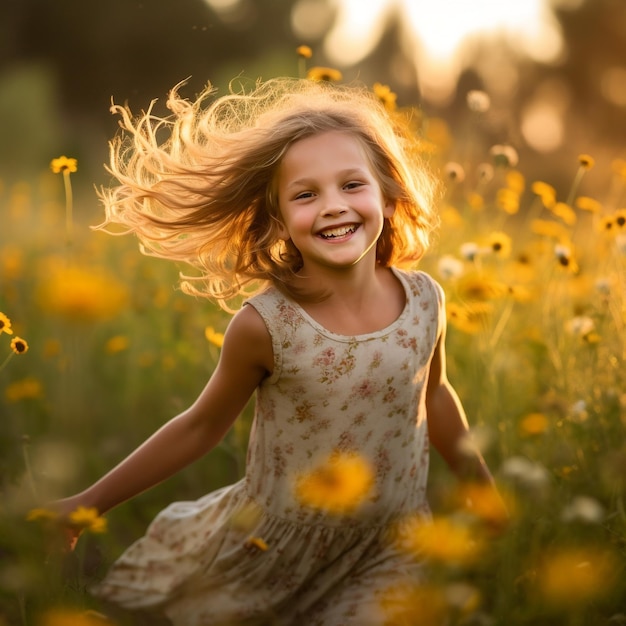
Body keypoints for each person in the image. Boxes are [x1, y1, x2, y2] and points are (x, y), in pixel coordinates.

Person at [57, 76, 506, 625]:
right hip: (275, 551)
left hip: (393, 544)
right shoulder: (265, 326)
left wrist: (483, 494)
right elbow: (201, 426)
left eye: (352, 185)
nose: (334, 207)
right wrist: (85, 507)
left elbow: (434, 395)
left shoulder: (425, 301)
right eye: (306, 194)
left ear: (388, 196)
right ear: (278, 220)